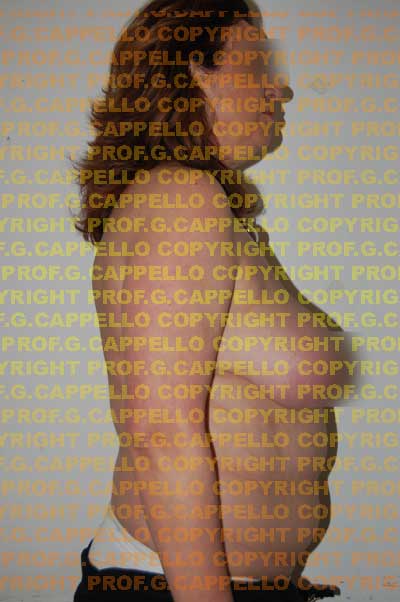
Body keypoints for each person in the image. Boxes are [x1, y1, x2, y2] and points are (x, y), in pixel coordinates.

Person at [71, 0, 359, 600]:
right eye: (260, 64)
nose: (282, 88)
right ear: (194, 70)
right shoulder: (180, 196)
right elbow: (160, 435)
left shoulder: (210, 212)